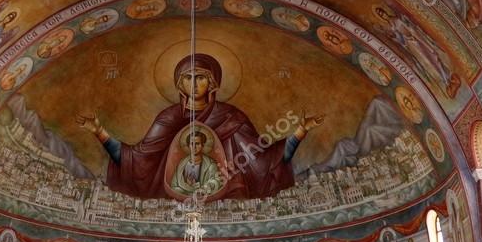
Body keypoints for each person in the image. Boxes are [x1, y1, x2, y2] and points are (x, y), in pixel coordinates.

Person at [76, 53, 323, 200]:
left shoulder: (231, 117)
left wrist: (301, 130)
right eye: (188, 78)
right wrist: (100, 131)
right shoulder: (168, 118)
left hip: (229, 199)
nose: (194, 84)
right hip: (175, 201)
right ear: (179, 84)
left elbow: (263, 160)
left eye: (201, 77)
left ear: (212, 82)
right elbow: (137, 160)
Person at [169, 128, 223, 197]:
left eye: (197, 144)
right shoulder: (182, 164)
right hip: (184, 198)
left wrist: (204, 188)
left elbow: (216, 181)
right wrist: (187, 189)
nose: (194, 147)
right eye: (192, 144)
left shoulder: (210, 164)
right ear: (189, 145)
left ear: (202, 145)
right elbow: (174, 185)